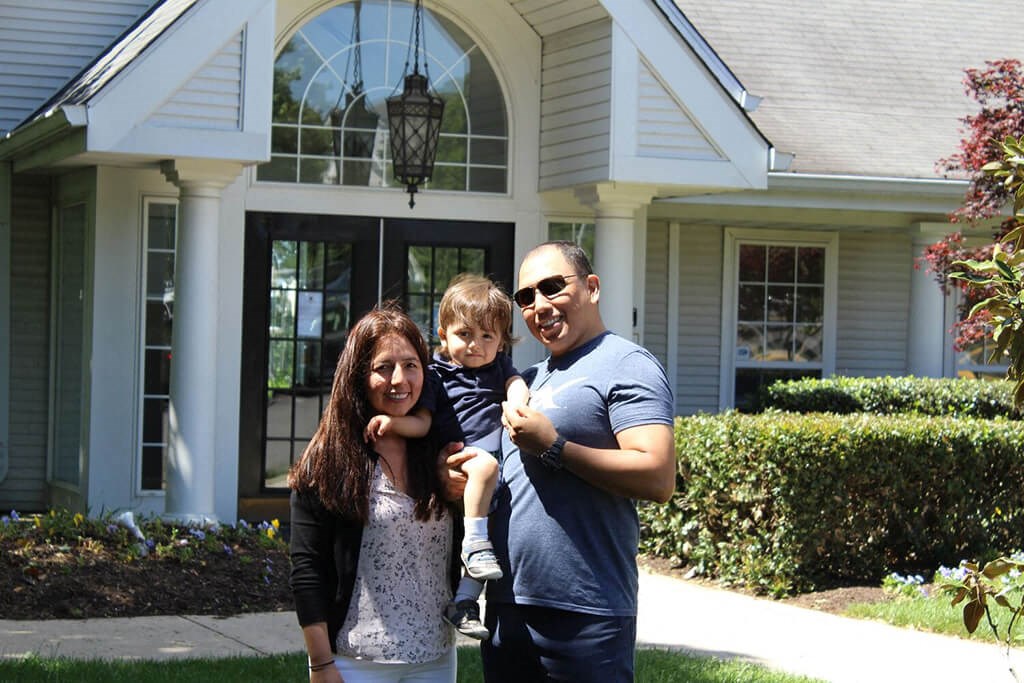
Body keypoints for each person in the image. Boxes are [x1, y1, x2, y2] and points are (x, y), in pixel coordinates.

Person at [479, 241, 677, 682]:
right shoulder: (525, 381)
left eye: (552, 287)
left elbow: (659, 476)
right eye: (526, 297)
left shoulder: (626, 364)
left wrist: (554, 445)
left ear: (592, 287)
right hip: (509, 607)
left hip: (587, 613)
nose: (539, 305)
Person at [289, 305, 461, 683]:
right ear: (358, 376)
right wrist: (320, 663)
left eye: (411, 365)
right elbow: (307, 569)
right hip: (355, 661)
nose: (399, 379)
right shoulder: (329, 459)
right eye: (383, 367)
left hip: (435, 657)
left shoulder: (437, 449)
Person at [364, 273, 530, 641]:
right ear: (443, 334)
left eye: (488, 336)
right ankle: (472, 543)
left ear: (502, 340)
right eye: (465, 334)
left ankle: (465, 603)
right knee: (481, 531)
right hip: (462, 460)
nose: (476, 345)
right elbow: (422, 424)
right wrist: (392, 422)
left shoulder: (499, 368)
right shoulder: (436, 376)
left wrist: (516, 400)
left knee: (492, 543)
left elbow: (516, 383)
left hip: (490, 479)